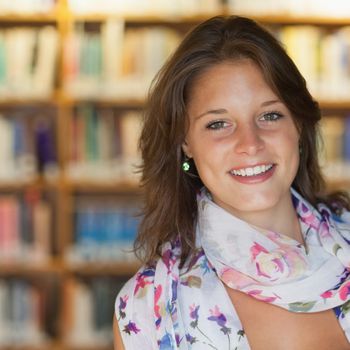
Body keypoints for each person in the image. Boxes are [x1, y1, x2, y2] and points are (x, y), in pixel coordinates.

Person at [113, 15, 350, 349]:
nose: (250, 144)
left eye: (270, 115)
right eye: (218, 124)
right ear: (185, 142)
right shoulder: (145, 309)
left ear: (298, 124)